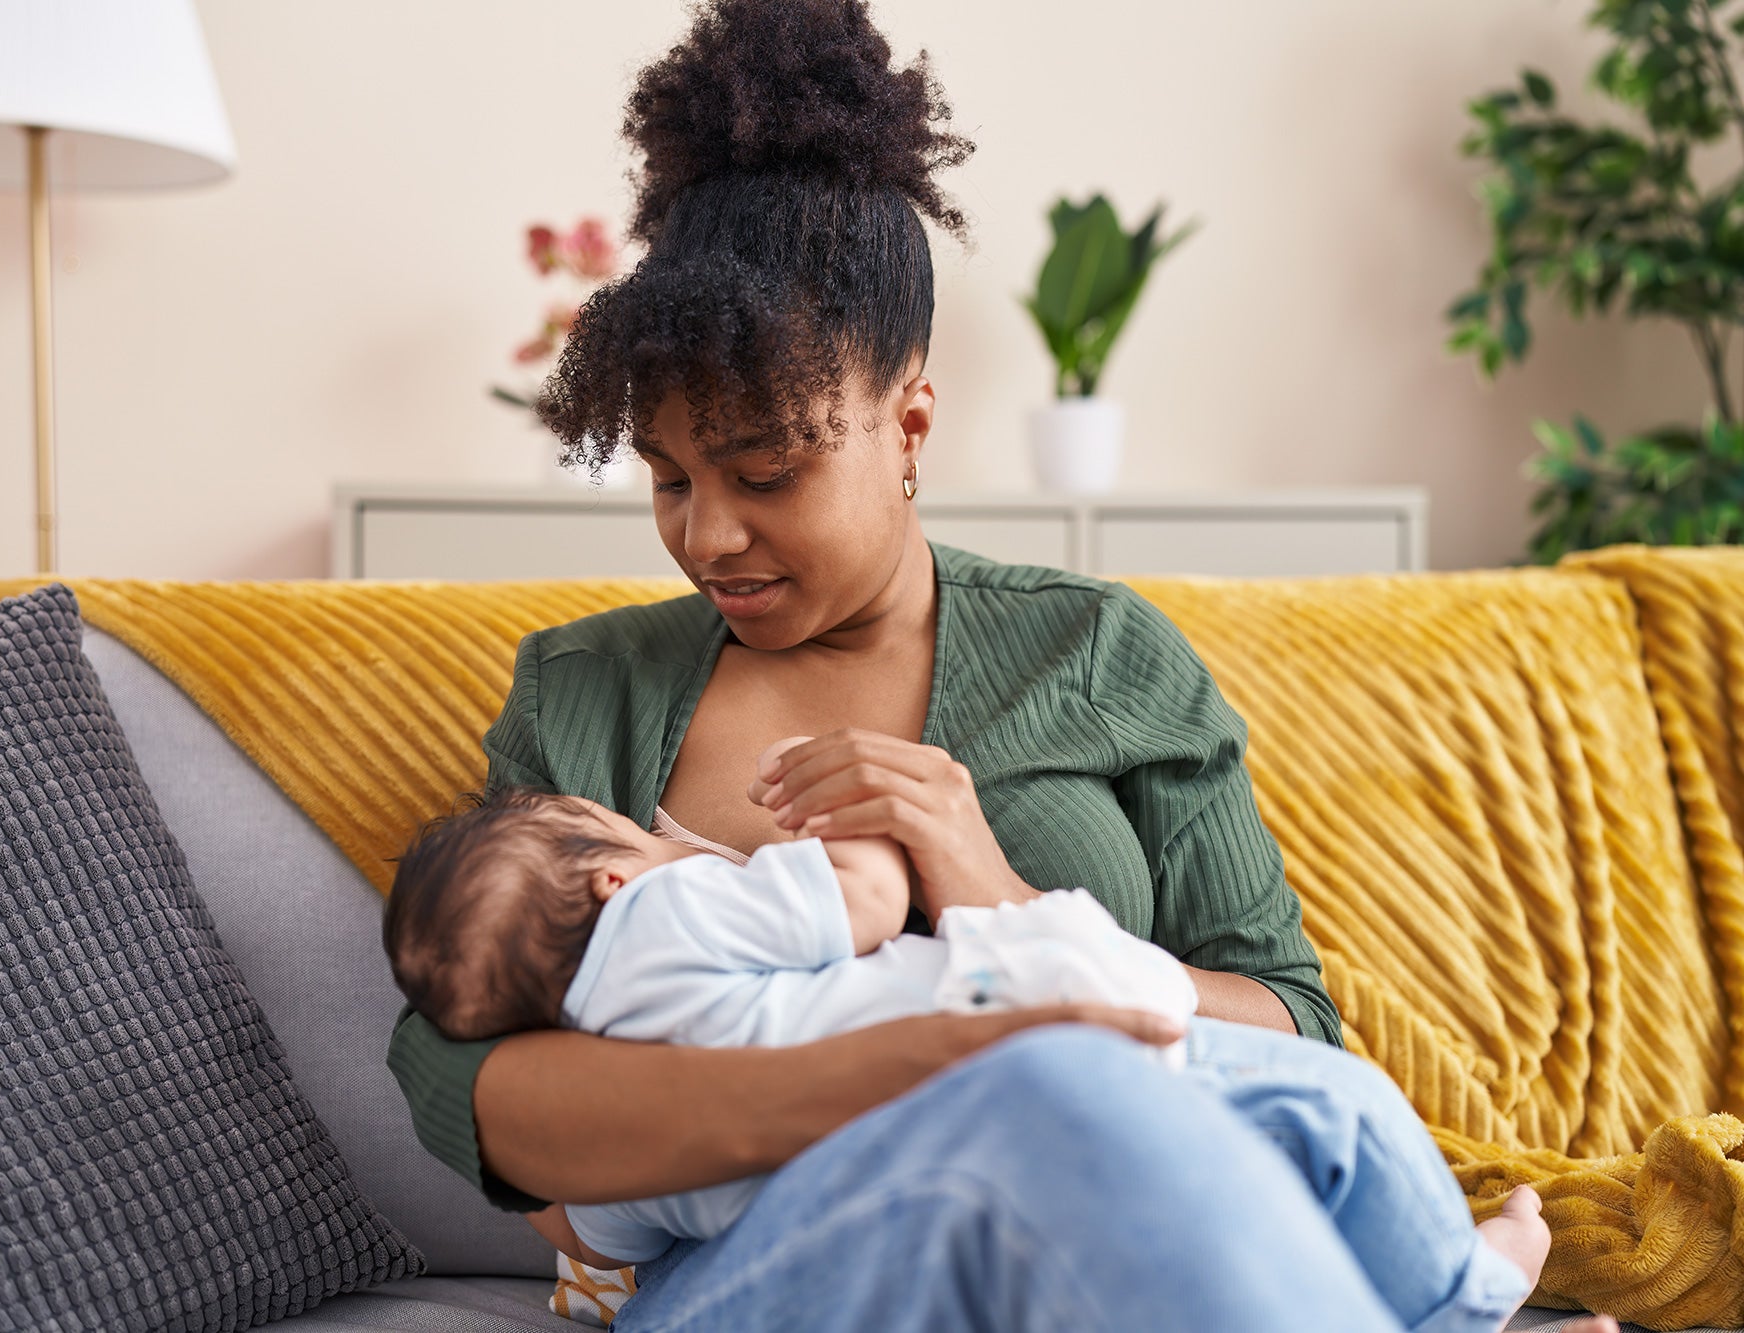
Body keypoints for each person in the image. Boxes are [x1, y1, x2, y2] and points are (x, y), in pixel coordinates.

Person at [385, 1, 1620, 1327]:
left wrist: (986, 883)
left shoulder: (1100, 654)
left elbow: (1295, 1038)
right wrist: (945, 1062)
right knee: (1046, 1095)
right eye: (671, 478)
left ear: (909, 417)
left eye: (764, 473)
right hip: (774, 1275)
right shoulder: (587, 692)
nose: (709, 533)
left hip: (1140, 1238)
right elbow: (476, 1093)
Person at [384, 753, 1199, 1268]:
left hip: (854, 1244)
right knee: (1125, 989)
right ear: (612, 880)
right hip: (995, 1034)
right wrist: (833, 821)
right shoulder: (669, 911)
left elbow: (598, 1244)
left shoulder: (603, 1130)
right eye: (627, 829)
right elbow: (871, 900)